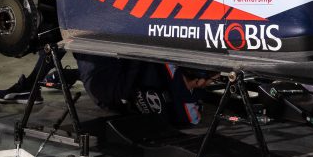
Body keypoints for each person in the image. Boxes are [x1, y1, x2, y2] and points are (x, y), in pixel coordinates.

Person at [75, 54, 214, 128]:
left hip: (106, 86)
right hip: (109, 95)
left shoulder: (166, 64)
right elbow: (194, 119)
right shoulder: (187, 113)